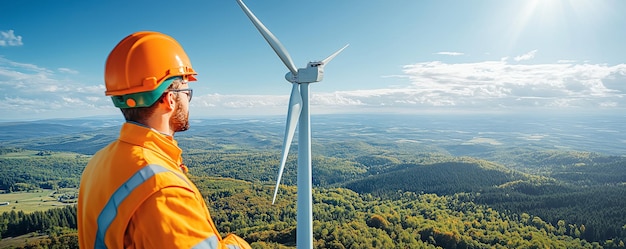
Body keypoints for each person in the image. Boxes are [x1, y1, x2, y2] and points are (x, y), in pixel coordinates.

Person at [78, 31, 252, 249]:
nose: (188, 100)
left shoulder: (99, 162)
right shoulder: (163, 189)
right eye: (186, 92)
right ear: (170, 99)